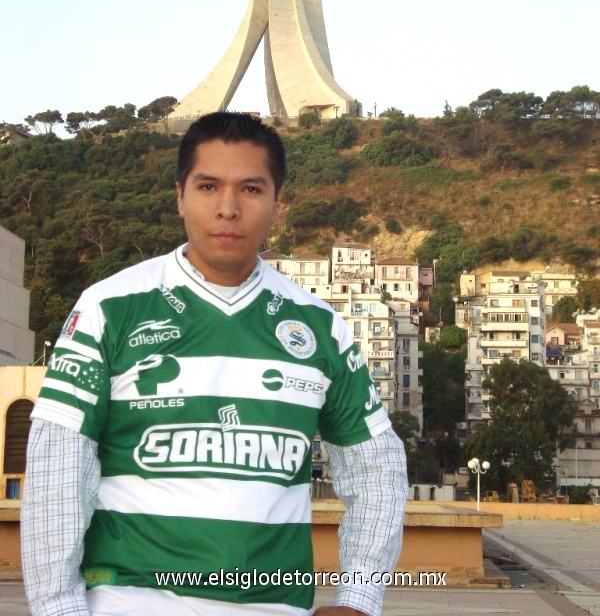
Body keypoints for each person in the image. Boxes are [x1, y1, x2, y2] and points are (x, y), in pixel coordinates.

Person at [22, 112, 407, 616]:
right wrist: (58, 610)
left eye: (250, 189)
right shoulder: (108, 307)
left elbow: (377, 469)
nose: (228, 208)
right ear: (180, 195)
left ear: (277, 203)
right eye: (208, 186)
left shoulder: (319, 327)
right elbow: (57, 475)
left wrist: (359, 598)